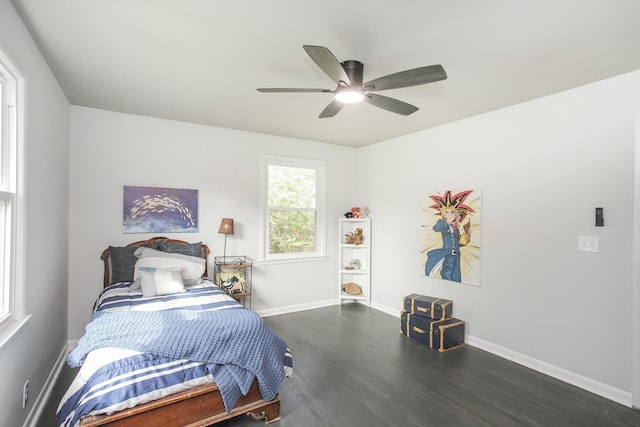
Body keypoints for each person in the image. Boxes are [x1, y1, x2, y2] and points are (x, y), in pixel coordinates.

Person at [424, 190, 474, 282]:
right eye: (447, 213)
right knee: (447, 275)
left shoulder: (456, 228)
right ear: (443, 214)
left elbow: (457, 243)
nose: (450, 215)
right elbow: (435, 228)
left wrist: (466, 238)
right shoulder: (442, 224)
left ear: (456, 214)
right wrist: (446, 223)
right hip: (448, 254)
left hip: (456, 255)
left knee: (455, 277)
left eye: (452, 213)